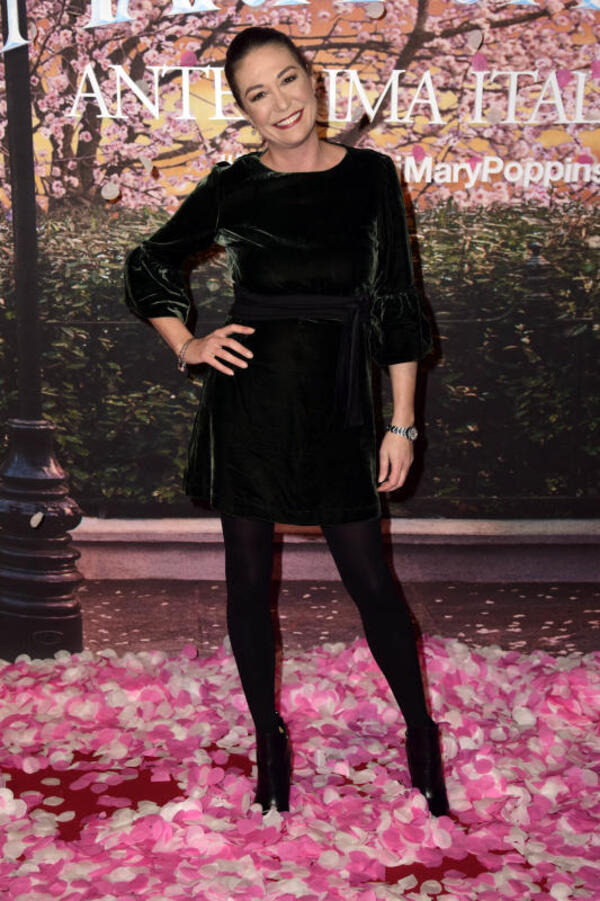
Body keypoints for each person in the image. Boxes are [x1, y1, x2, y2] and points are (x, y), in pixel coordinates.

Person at [123, 26, 450, 818]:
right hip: (250, 408)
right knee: (246, 585)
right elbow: (149, 261)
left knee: (373, 583)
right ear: (243, 110)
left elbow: (396, 303)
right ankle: (268, 740)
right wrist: (188, 344)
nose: (280, 103)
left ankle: (420, 732)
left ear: (314, 79)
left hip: (342, 409)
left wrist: (402, 423)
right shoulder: (234, 186)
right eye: (257, 94)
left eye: (288, 80)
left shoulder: (371, 176)